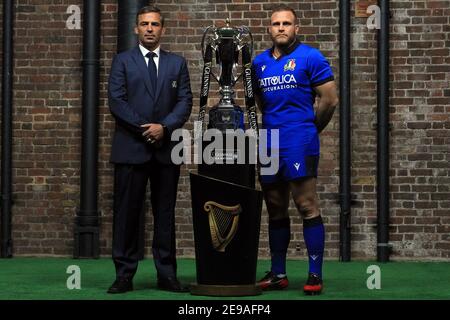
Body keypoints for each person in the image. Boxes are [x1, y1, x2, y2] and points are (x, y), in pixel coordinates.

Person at [252, 4, 338, 295]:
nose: (281, 28)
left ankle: (314, 275)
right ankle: (278, 273)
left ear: (296, 28)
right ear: (269, 28)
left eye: (286, 23)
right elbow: (261, 104)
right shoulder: (259, 63)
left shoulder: (310, 57)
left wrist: (310, 129)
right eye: (276, 23)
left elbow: (329, 100)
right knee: (275, 207)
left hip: (299, 140)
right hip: (269, 142)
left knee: (305, 205)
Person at [107, 5, 192, 294]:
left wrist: (164, 128)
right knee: (126, 214)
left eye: (155, 24)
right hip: (131, 148)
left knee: (165, 215)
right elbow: (116, 102)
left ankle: (166, 274)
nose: (150, 29)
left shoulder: (177, 63)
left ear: (163, 29)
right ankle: (124, 275)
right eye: (144, 24)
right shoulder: (122, 61)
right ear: (136, 29)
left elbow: (185, 101)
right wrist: (148, 128)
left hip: (166, 149)